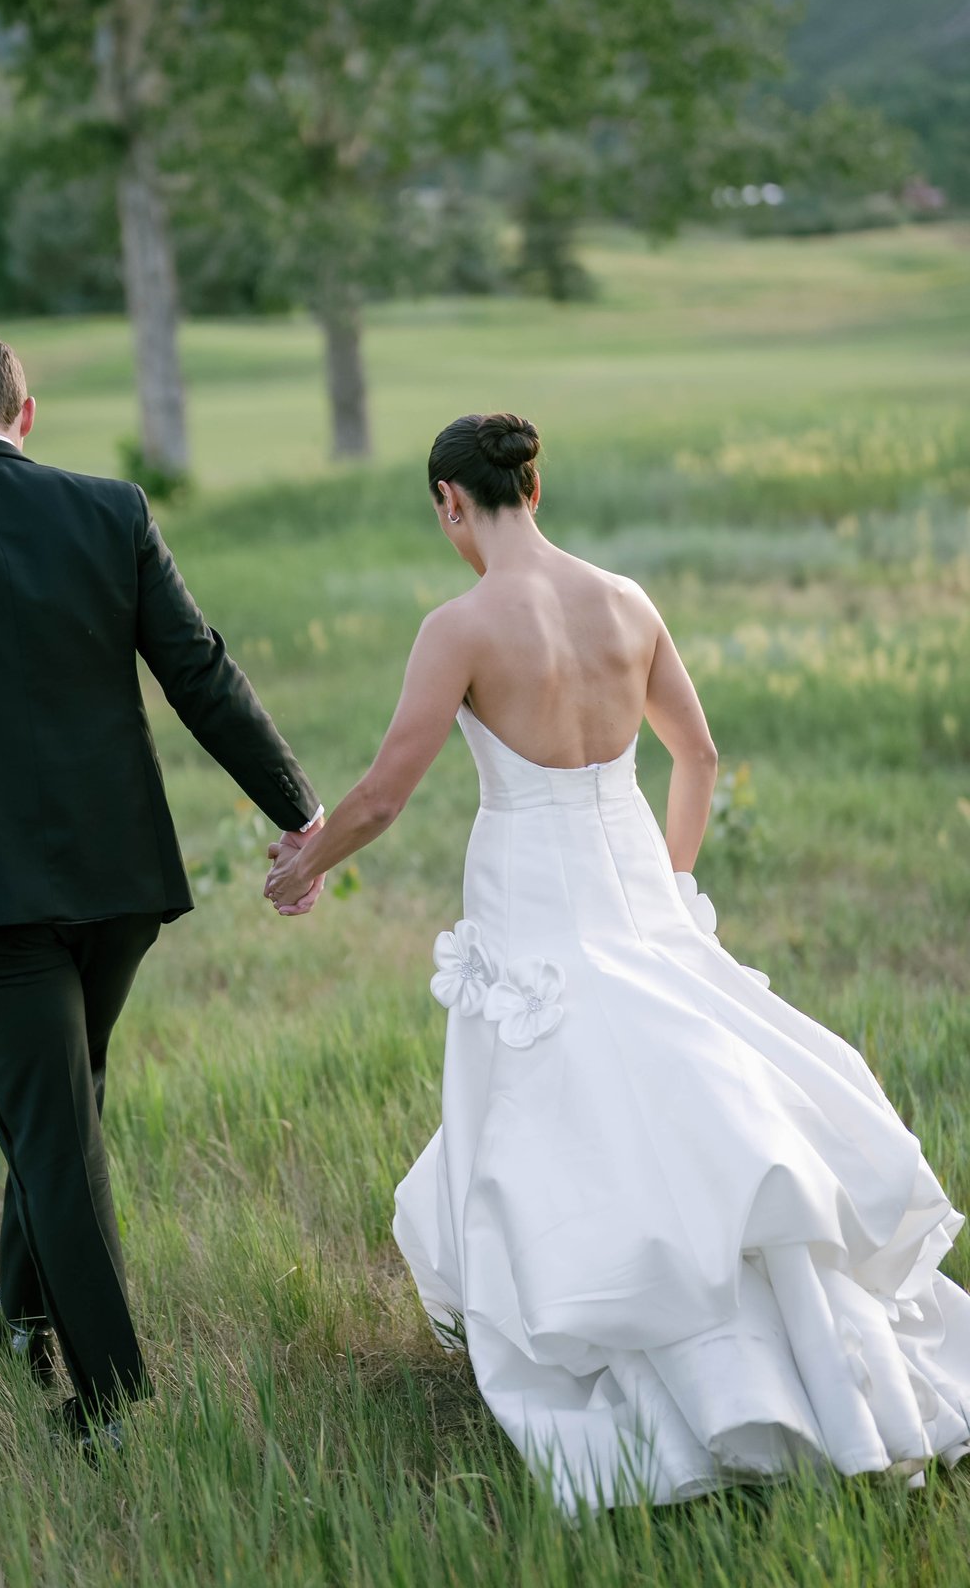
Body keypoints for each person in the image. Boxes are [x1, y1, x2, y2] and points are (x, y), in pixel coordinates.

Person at [263, 410, 970, 1511]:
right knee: (690, 1120)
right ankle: (815, 1371)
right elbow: (699, 752)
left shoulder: (458, 626)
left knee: (559, 1129)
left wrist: (305, 861)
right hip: (637, 889)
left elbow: (389, 788)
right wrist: (669, 894)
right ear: (533, 487)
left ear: (452, 502)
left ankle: (641, 1375)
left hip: (536, 903)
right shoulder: (627, 600)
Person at [0, 330, 322, 1452]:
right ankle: (19, 1310)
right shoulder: (112, 509)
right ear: (25, 414)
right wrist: (298, 809)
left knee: (52, 1123)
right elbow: (202, 673)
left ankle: (112, 1394)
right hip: (119, 875)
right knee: (59, 1097)